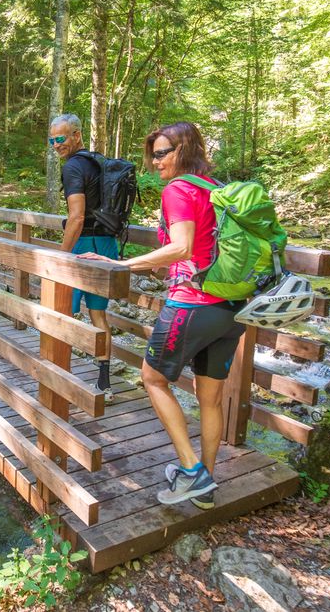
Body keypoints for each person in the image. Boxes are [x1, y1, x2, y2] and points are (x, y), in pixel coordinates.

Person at [78, 121, 244, 509]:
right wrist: (160, 264)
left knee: (152, 379)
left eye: (161, 154)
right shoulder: (216, 189)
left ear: (183, 151)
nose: (155, 164)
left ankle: (190, 471)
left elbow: (183, 248)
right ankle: (205, 483)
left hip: (193, 303)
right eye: (153, 155)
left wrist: (124, 265)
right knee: (211, 400)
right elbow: (201, 246)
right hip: (232, 306)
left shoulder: (179, 190)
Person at [49, 113, 115, 402]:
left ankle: (58, 377)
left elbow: (75, 217)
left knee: (64, 309)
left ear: (76, 135)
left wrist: (62, 256)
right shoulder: (97, 162)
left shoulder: (74, 167)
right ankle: (105, 382)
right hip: (107, 244)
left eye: (60, 138)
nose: (55, 145)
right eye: (52, 140)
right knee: (98, 313)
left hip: (84, 244)